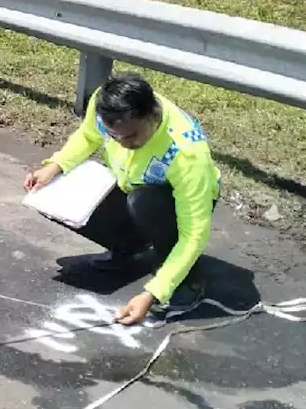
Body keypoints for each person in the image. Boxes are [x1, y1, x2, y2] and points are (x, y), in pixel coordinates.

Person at [24, 73, 221, 326]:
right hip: (129, 183)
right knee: (51, 190)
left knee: (143, 202)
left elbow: (194, 233)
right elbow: (88, 137)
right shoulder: (104, 105)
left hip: (164, 202)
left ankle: (188, 281)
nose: (122, 143)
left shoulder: (188, 155)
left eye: (132, 136)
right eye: (114, 136)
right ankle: (128, 249)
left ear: (154, 116)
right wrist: (56, 166)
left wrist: (154, 293)